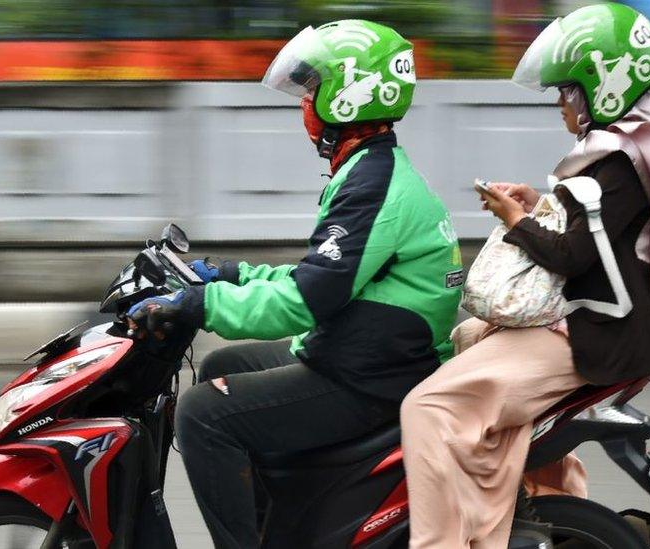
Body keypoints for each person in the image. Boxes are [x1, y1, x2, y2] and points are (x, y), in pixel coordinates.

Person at [127, 19, 463, 549]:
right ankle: (284, 523)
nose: (305, 102)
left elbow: (308, 300)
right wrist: (234, 274)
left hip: (372, 380)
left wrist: (201, 303)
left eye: (313, 89)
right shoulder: (371, 172)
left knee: (202, 415)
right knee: (219, 366)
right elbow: (324, 278)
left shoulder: (375, 187)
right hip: (366, 356)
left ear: (349, 96)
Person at [399, 4, 650, 548]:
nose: (560, 104)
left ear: (601, 88)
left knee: (427, 406)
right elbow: (591, 228)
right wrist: (536, 205)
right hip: (591, 325)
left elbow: (574, 257)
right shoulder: (622, 153)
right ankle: (545, 510)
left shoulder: (619, 162)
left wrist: (516, 221)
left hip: (595, 333)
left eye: (566, 92)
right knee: (464, 339)